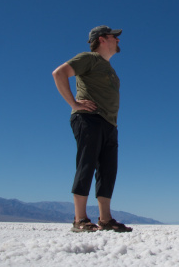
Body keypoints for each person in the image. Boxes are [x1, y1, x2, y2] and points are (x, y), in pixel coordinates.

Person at [52, 25, 132, 233]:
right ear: (102, 39)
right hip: (89, 118)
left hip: (109, 124)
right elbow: (59, 73)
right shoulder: (89, 58)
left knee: (108, 170)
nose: (118, 40)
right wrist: (74, 104)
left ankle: (105, 219)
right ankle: (80, 219)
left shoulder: (110, 69)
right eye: (115, 37)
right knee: (86, 164)